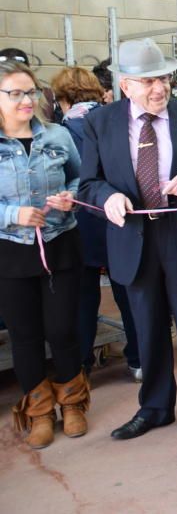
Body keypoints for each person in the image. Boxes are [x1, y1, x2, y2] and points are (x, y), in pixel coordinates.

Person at [78, 38, 177, 446]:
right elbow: (88, 183)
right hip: (133, 239)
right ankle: (155, 407)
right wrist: (108, 197)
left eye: (163, 78)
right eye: (147, 81)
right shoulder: (101, 123)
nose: (158, 88)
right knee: (147, 328)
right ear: (125, 85)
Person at [0, 60, 89, 450]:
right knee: (25, 335)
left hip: (59, 243)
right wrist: (11, 214)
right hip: (11, 251)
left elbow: (81, 177)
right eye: (14, 93)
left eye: (30, 92)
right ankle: (38, 410)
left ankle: (72, 402)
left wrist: (72, 196)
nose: (25, 101)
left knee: (62, 329)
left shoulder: (58, 135)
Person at [52, 66, 141, 381]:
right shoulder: (115, 121)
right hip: (119, 217)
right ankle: (139, 358)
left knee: (84, 296)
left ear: (62, 97)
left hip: (82, 223)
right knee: (128, 292)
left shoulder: (61, 131)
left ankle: (82, 364)